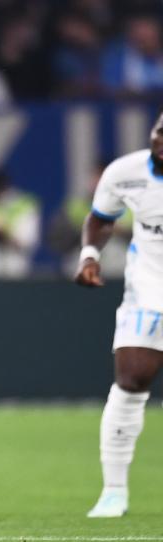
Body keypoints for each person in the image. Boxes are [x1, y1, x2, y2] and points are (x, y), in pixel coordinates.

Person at [74, 108, 163, 518]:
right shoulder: (125, 172)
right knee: (131, 379)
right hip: (149, 286)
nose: (161, 140)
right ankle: (113, 491)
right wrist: (90, 255)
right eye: (160, 131)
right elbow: (100, 219)